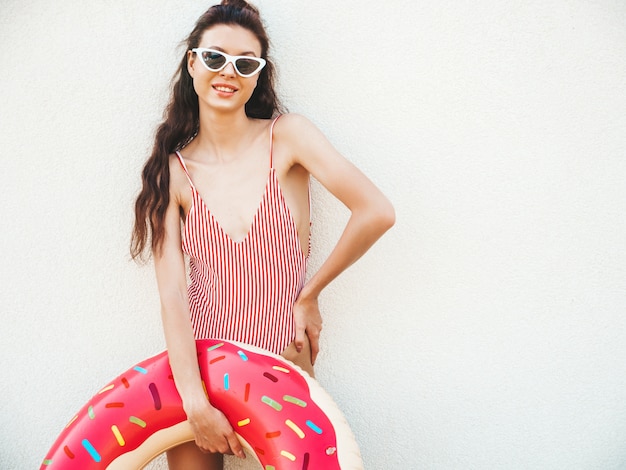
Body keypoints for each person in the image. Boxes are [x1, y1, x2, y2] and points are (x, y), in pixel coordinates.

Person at [131, 1, 395, 468]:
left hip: (283, 363)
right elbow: (172, 294)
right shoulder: (173, 174)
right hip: (202, 369)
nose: (227, 72)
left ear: (258, 74)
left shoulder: (288, 136)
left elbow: (375, 211)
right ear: (192, 62)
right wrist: (193, 401)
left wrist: (309, 295)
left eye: (244, 62)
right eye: (214, 57)